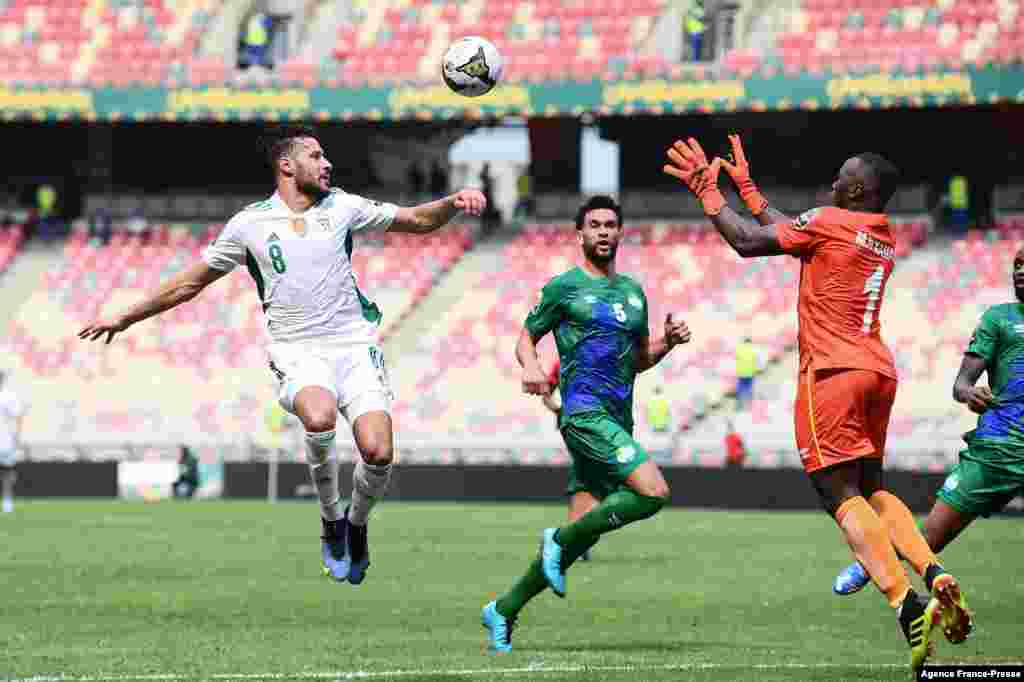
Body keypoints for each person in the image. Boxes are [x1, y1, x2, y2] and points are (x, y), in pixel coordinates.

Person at [79, 125, 486, 585]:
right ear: (287, 166)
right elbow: (190, 283)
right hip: (297, 350)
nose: (327, 162)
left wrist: (451, 204)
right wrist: (126, 317)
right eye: (315, 155)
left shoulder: (344, 207)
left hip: (353, 345)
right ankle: (331, 519)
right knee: (319, 416)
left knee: (378, 451)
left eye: (326, 155)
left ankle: (356, 525)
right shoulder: (249, 224)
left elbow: (416, 219)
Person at [662, 133, 972, 673]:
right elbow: (795, 232)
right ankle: (933, 570)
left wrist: (709, 193)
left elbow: (750, 242)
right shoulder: (880, 233)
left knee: (838, 494)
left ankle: (906, 605)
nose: (831, 182)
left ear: (854, 188)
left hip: (832, 373)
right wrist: (751, 190)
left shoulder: (829, 221)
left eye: (839, 177)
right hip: (878, 370)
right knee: (874, 489)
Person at [481, 195, 692, 653]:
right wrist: (532, 367)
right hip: (583, 415)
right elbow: (525, 337)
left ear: (620, 233)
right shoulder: (564, 288)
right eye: (594, 224)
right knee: (654, 492)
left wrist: (667, 344)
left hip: (619, 419)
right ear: (580, 234)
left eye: (610, 224)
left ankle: (503, 608)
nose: (603, 231)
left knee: (581, 539)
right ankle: (558, 537)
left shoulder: (635, 293)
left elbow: (637, 360)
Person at [833, 246, 1024, 596]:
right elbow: (961, 384)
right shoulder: (999, 319)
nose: (1020, 272)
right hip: (998, 449)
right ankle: (875, 560)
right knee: (931, 536)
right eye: (1017, 265)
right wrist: (971, 394)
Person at [541, 358, 597, 562]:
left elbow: (545, 394)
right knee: (588, 477)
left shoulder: (562, 361)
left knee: (588, 477)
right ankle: (572, 538)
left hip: (580, 422)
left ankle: (574, 537)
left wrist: (558, 410)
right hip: (584, 423)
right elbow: (546, 393)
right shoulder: (574, 360)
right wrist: (559, 410)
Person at [0, 371, 26, 513]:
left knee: (7, 472)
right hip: (6, 442)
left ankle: (7, 502)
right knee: (7, 472)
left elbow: (18, 415)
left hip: (4, 441)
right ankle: (7, 502)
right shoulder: (8, 396)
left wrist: (16, 435)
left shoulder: (8, 396)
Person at [734, 335, 759, 409]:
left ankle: (739, 403)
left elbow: (736, 359)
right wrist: (755, 370)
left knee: (740, 387)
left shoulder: (739, 349)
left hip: (741, 372)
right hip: (750, 372)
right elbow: (755, 361)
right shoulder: (753, 350)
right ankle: (749, 403)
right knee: (749, 387)